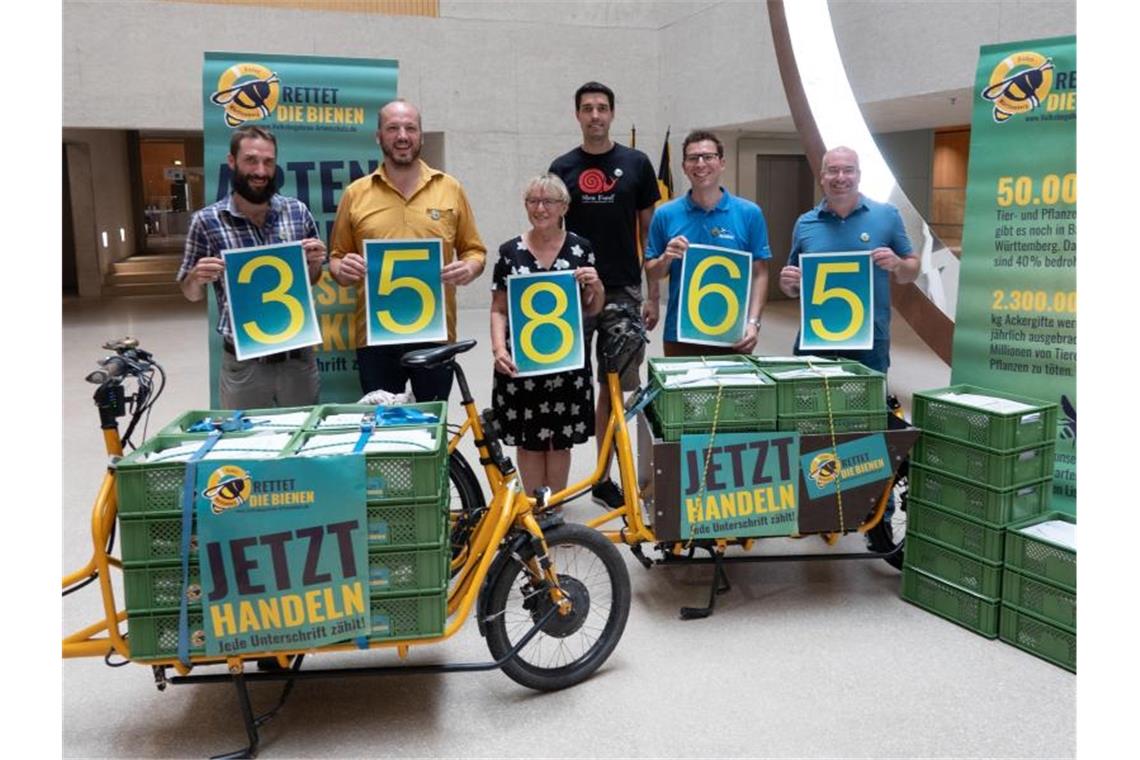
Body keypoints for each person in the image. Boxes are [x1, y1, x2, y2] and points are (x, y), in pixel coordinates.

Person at [549, 81, 660, 509]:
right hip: (573, 294)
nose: (595, 115)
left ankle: (603, 477)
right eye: (587, 108)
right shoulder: (562, 167)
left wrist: (653, 295)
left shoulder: (637, 164)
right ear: (577, 114)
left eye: (601, 108)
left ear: (612, 113)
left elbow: (650, 235)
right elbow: (551, 233)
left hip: (624, 291)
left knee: (613, 388)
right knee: (563, 381)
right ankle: (555, 480)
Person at [329, 99, 487, 401]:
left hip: (435, 335)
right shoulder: (355, 194)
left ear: (421, 136)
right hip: (376, 338)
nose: (402, 136)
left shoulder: (450, 188)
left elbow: (475, 251)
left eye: (410, 128)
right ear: (378, 136)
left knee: (433, 422)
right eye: (393, 128)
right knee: (383, 425)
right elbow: (336, 259)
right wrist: (343, 269)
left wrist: (469, 267)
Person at [178, 125, 326, 408]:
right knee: (244, 434)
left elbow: (312, 279)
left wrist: (315, 263)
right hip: (244, 363)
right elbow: (190, 293)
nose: (260, 170)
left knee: (303, 433)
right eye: (251, 160)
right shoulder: (206, 221)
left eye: (268, 162)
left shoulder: (297, 212)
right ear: (232, 161)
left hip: (297, 359)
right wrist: (196, 278)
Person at [490, 174, 604, 496]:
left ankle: (553, 508)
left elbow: (593, 308)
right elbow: (498, 308)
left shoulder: (581, 249)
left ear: (564, 207)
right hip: (522, 361)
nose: (540, 208)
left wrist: (596, 285)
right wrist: (499, 349)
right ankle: (533, 510)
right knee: (528, 440)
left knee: (559, 441)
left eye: (549, 201)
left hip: (566, 362)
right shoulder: (509, 251)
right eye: (533, 201)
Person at [778, 145, 918, 373]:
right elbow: (793, 286)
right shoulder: (805, 223)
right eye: (833, 170)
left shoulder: (887, 215)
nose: (841, 177)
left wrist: (898, 264)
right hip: (817, 336)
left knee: (867, 397)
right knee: (812, 397)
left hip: (870, 339)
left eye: (848, 170)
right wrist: (788, 284)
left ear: (859, 176)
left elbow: (912, 271)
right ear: (822, 177)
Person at [644, 130, 770, 356]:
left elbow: (760, 274)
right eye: (693, 158)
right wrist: (666, 258)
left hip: (733, 333)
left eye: (708, 157)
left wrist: (753, 322)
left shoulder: (749, 213)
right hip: (680, 333)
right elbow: (652, 272)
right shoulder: (665, 214)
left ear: (722, 163)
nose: (700, 164)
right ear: (684, 167)